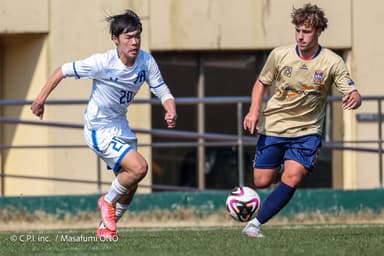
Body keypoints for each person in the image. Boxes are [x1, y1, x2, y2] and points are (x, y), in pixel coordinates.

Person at [31, 10, 177, 238]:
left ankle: (106, 228)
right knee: (140, 167)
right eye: (128, 37)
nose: (134, 42)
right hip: (98, 127)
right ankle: (106, 202)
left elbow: (161, 88)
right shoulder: (102, 62)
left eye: (137, 36)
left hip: (120, 125)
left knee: (131, 184)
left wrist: (170, 109)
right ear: (115, 39)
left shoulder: (146, 61)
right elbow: (62, 70)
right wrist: (40, 99)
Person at [242, 3, 361, 237]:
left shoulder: (331, 62)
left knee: (293, 176)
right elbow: (261, 83)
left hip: (308, 131)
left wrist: (355, 97)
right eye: (297, 30)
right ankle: (281, 165)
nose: (300, 36)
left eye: (306, 31)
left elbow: (351, 90)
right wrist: (253, 111)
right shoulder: (280, 55)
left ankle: (254, 225)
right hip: (275, 126)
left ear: (318, 31)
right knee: (261, 180)